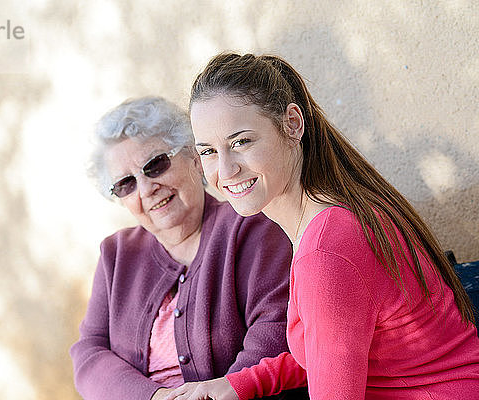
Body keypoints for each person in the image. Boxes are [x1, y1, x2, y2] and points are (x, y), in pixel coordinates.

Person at [165, 53, 479, 400]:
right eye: (208, 151)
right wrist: (239, 383)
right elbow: (332, 348)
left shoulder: (327, 251)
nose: (225, 171)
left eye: (241, 142)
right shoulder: (333, 216)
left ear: (292, 124)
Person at [69, 96, 308, 400]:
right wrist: (153, 397)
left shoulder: (250, 227)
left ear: (194, 159)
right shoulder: (116, 254)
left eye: (155, 165)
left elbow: (274, 337)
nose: (146, 189)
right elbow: (88, 353)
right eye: (126, 184)